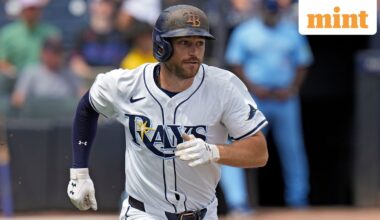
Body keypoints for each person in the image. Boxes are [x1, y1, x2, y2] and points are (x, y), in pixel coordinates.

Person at [67, 4, 269, 220]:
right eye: (184, 43)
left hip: (203, 213)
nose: (194, 52)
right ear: (162, 46)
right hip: (143, 213)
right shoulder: (127, 84)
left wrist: (214, 151)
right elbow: (87, 107)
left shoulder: (223, 86)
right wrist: (79, 172)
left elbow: (259, 152)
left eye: (199, 43)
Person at [225, 0, 313, 208]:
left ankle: (298, 200)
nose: (271, 14)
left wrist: (292, 88)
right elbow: (235, 62)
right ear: (261, 10)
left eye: (274, 11)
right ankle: (239, 202)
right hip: (256, 100)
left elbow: (303, 62)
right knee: (239, 147)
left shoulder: (291, 31)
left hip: (285, 99)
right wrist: (252, 88)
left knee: (292, 149)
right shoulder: (245, 31)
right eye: (268, 10)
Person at [0, 0, 61, 100]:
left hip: (44, 80)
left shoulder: (51, 33)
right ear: (22, 10)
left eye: (34, 8)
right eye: (29, 9)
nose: (32, 12)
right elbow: (2, 61)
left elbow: (57, 59)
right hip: (15, 80)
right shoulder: (7, 34)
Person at [11, 37, 84, 109]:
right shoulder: (31, 72)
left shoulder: (69, 74)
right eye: (48, 52)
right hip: (38, 116)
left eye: (56, 52)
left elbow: (82, 94)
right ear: (42, 53)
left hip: (64, 117)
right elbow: (18, 97)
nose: (51, 56)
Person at [69, 0, 128, 85]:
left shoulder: (121, 36)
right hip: (89, 83)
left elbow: (125, 63)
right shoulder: (83, 34)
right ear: (93, 7)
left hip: (114, 83)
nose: (104, 9)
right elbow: (76, 61)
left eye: (108, 5)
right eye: (101, 4)